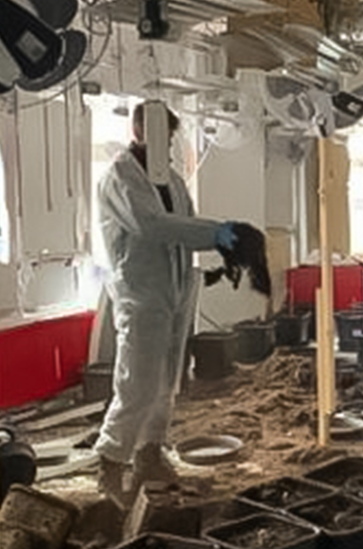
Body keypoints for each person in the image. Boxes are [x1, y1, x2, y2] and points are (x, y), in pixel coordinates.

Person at [94, 101, 236, 505]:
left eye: (170, 137)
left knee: (167, 380)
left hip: (174, 290)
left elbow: (183, 226)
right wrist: (218, 234)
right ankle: (109, 461)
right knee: (137, 381)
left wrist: (216, 249)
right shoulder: (120, 178)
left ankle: (150, 454)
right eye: (161, 136)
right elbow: (151, 226)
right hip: (141, 291)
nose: (167, 145)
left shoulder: (171, 180)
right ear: (139, 132)